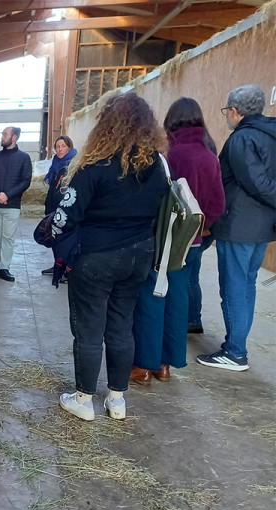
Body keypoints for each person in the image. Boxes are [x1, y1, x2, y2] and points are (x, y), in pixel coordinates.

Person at [51, 92, 168, 421]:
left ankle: (84, 399)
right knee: (121, 325)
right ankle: (116, 399)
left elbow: (67, 215)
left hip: (98, 256)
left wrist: (53, 236)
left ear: (108, 123)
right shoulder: (156, 163)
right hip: (139, 254)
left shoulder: (96, 162)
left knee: (89, 329)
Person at [130, 97, 225, 386]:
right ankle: (166, 364)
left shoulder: (165, 153)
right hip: (191, 243)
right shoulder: (210, 155)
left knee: (151, 297)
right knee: (177, 299)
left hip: (161, 239)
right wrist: (201, 229)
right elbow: (218, 204)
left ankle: (143, 366)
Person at [197, 85, 276, 371]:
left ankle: (234, 352)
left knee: (233, 288)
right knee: (247, 286)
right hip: (262, 227)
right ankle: (237, 345)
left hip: (239, 226)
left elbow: (256, 183)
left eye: (226, 111)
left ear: (235, 110)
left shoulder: (242, 139)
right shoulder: (270, 135)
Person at [0, 126, 32, 282]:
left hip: (12, 205)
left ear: (14, 137)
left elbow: (26, 181)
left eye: (5, 134)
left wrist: (7, 195)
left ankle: (4, 268)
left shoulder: (24, 158)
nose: (2, 137)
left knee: (8, 237)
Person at [42, 136, 77, 279]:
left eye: (63, 146)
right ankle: (57, 265)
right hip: (53, 206)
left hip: (66, 207)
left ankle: (67, 269)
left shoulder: (73, 165)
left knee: (66, 239)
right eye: (57, 146)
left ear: (69, 147)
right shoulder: (55, 164)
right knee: (55, 237)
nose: (60, 149)